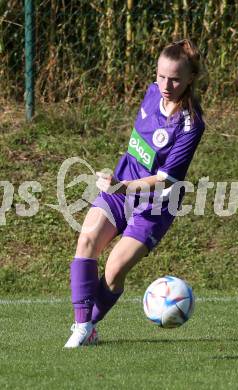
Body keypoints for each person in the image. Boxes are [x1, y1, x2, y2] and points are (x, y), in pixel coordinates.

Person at [64, 38, 206, 348]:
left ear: (191, 79)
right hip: (122, 185)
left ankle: (89, 325)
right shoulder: (152, 93)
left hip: (154, 206)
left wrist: (122, 186)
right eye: (160, 75)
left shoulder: (191, 124)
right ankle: (81, 326)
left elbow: (167, 180)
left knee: (114, 271)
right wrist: (120, 184)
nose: (166, 84)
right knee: (87, 239)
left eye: (175, 79)